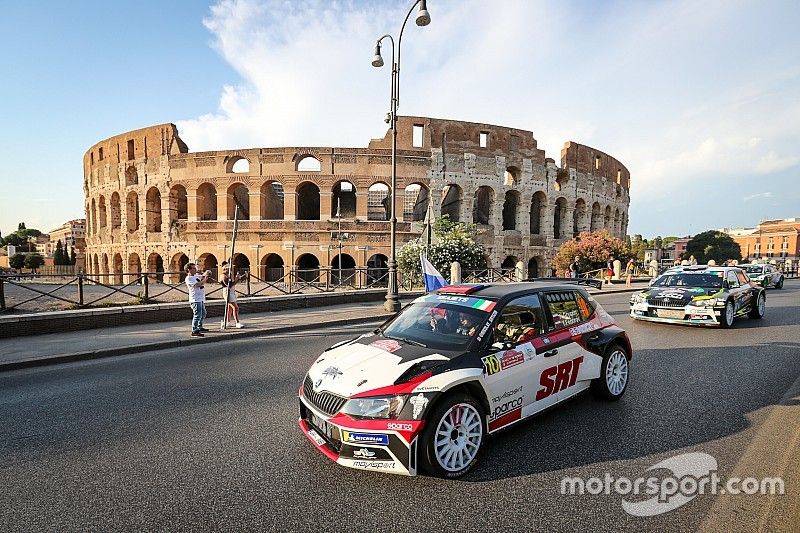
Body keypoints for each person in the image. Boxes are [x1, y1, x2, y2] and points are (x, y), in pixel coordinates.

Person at [185, 263, 211, 337]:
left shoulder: (195, 276)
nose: (195, 269)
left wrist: (207, 273)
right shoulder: (189, 278)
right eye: (193, 268)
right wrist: (205, 279)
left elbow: (202, 276)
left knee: (203, 313)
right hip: (195, 299)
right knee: (197, 315)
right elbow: (198, 285)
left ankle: (199, 327)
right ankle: (194, 330)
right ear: (188, 270)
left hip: (200, 298)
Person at [220, 265, 246, 329]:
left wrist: (237, 279)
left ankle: (227, 321)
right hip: (227, 292)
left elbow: (232, 283)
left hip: (231, 292)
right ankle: (237, 322)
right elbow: (229, 285)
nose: (230, 270)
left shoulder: (229, 275)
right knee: (235, 307)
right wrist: (236, 280)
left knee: (230, 308)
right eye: (229, 269)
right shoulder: (223, 276)